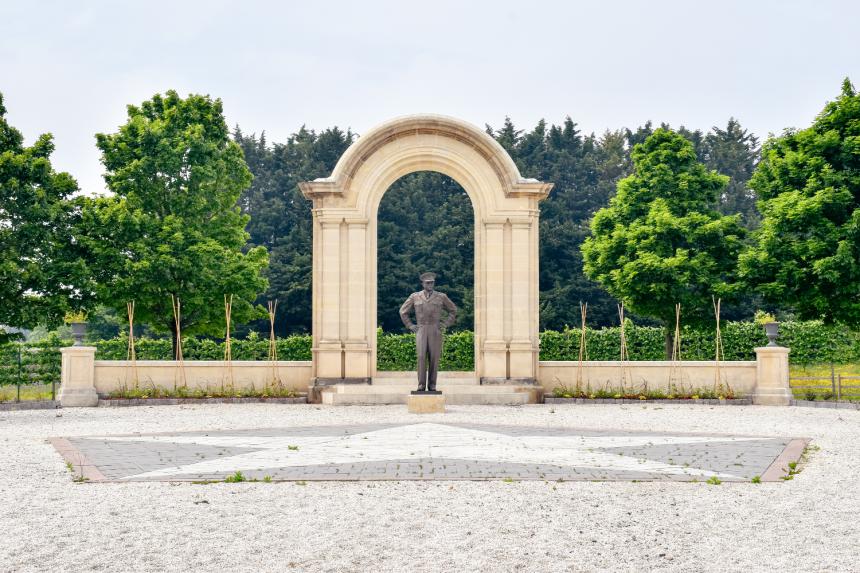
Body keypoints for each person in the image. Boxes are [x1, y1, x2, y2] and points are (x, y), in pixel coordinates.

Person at [399, 272, 457, 392]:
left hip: (435, 329)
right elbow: (403, 311)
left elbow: (453, 310)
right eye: (428, 283)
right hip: (421, 329)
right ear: (422, 283)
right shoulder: (415, 296)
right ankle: (421, 385)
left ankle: (432, 385)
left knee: (434, 358)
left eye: (432, 282)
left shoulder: (441, 296)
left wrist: (445, 324)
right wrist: (410, 325)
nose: (430, 284)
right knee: (421, 357)